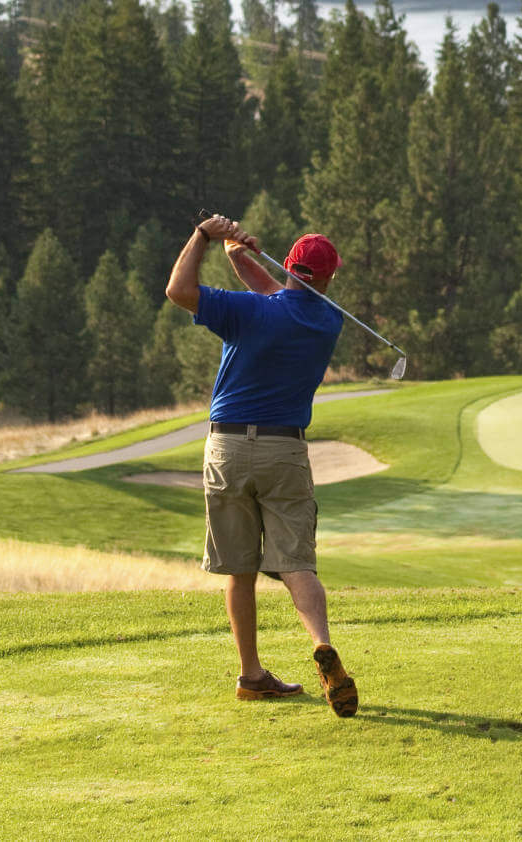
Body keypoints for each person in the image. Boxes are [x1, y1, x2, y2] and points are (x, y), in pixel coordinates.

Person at [163, 214, 359, 716]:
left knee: (240, 568)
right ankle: (320, 641)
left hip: (228, 448)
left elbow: (178, 290)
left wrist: (205, 238)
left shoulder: (246, 312)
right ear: (330, 279)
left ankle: (251, 675)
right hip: (284, 451)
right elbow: (283, 296)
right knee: (296, 561)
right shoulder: (326, 320)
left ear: (290, 264)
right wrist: (238, 258)